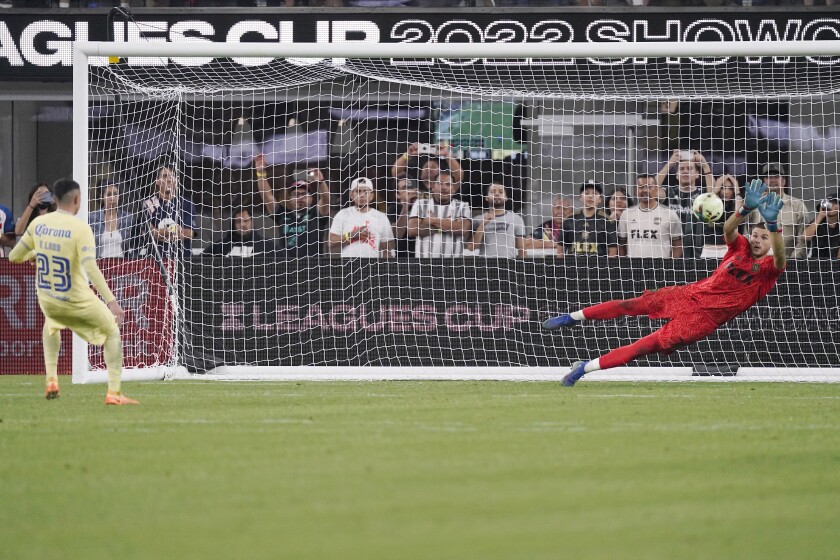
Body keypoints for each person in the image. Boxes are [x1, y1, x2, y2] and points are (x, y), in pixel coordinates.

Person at [544, 179, 786, 387]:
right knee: (629, 305)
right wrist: (745, 208)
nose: (757, 240)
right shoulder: (740, 247)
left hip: (702, 321)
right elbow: (728, 229)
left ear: (771, 242)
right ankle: (571, 317)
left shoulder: (769, 269)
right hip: (688, 294)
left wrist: (773, 226)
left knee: (641, 347)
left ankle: (583, 368)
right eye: (755, 235)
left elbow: (780, 257)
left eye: (764, 238)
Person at [8, 178, 138, 405]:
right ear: (77, 200)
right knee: (111, 330)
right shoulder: (80, 227)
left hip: (49, 299)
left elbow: (13, 257)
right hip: (76, 300)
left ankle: (51, 379)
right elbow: (90, 267)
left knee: (51, 324)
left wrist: (35, 254)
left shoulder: (38, 224)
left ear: (54, 200)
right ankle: (114, 393)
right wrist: (112, 301)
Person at [255, 154, 332, 258]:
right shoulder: (282, 214)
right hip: (287, 265)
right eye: (296, 194)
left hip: (313, 265)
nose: (300, 197)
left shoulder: (316, 213)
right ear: (290, 200)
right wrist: (261, 173)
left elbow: (326, 199)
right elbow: (267, 197)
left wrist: (321, 182)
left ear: (311, 198)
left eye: (304, 194)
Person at [656, 149, 715, 258]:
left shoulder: (702, 194)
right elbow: (652, 190)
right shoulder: (669, 192)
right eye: (681, 169)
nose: (685, 171)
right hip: (670, 255)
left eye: (690, 168)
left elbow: (714, 195)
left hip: (698, 255)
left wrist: (705, 165)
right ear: (677, 175)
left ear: (697, 174)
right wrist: (669, 164)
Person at [745, 164, 810, 259]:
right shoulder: (754, 205)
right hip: (756, 263)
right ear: (764, 181)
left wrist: (791, 262)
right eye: (768, 177)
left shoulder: (798, 206)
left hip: (787, 262)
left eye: (776, 177)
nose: (772, 180)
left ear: (784, 181)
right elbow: (745, 235)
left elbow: (802, 242)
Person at [407, 169, 471, 258]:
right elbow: (412, 230)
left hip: (454, 263)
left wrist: (433, 220)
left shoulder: (462, 206)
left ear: (453, 189)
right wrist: (447, 225)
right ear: (433, 187)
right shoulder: (420, 204)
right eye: (440, 183)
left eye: (448, 184)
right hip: (424, 262)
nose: (444, 187)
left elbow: (462, 229)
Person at [328, 177, 395, 258]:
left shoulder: (381, 217)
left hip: (372, 264)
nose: (362, 195)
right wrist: (351, 235)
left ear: (372, 195)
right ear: (351, 195)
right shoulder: (343, 214)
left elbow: (387, 250)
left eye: (366, 192)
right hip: (348, 263)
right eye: (358, 191)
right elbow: (331, 242)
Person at [618, 174, 683, 258]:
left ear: (656, 189)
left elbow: (677, 246)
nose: (645, 190)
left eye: (649, 187)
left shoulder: (670, 214)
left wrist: (670, 265)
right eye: (641, 187)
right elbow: (621, 245)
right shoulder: (626, 214)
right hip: (633, 265)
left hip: (660, 265)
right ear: (636, 190)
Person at [141, 164, 196, 259]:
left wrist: (159, 233)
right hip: (155, 260)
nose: (169, 180)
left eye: (172, 176)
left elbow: (189, 233)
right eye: (165, 176)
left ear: (177, 180)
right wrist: (173, 229)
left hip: (182, 260)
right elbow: (148, 234)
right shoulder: (148, 204)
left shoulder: (187, 203)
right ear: (157, 181)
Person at [465, 182, 526, 258]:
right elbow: (471, 247)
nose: (497, 194)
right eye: (492, 192)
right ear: (486, 197)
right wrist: (482, 225)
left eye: (501, 192)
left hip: (508, 263)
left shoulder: (516, 219)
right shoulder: (477, 219)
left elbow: (522, 252)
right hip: (485, 263)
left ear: (506, 197)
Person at [560, 180, 618, 257]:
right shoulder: (569, 220)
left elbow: (613, 251)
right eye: (587, 193)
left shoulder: (607, 221)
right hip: (573, 264)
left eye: (594, 193)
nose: (590, 196)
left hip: (599, 264)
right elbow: (560, 248)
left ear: (600, 199)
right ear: (580, 197)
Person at [204, 206, 275, 257]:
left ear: (252, 222)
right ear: (233, 225)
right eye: (238, 221)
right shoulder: (219, 247)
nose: (242, 224)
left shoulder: (267, 246)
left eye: (246, 221)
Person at [701, 174, 744, 258]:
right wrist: (715, 189)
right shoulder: (713, 203)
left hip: (730, 249)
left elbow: (739, 217)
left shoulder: (737, 204)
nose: (726, 191)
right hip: (709, 249)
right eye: (723, 187)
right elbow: (705, 208)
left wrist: (737, 191)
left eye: (731, 188)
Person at [89, 179, 134, 258]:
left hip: (123, 262)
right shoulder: (92, 218)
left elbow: (135, 245)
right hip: (100, 262)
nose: (112, 198)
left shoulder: (128, 218)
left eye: (115, 194)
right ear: (102, 197)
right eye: (109, 194)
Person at [389, 177, 420, 258]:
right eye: (404, 188)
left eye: (411, 187)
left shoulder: (423, 206)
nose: (409, 191)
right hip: (402, 258)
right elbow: (397, 234)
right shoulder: (393, 208)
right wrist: (406, 205)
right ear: (397, 194)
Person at [803, 195, 840, 259]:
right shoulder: (818, 222)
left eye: (834, 203)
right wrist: (820, 215)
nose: (831, 205)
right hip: (816, 261)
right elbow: (805, 237)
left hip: (835, 262)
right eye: (829, 203)